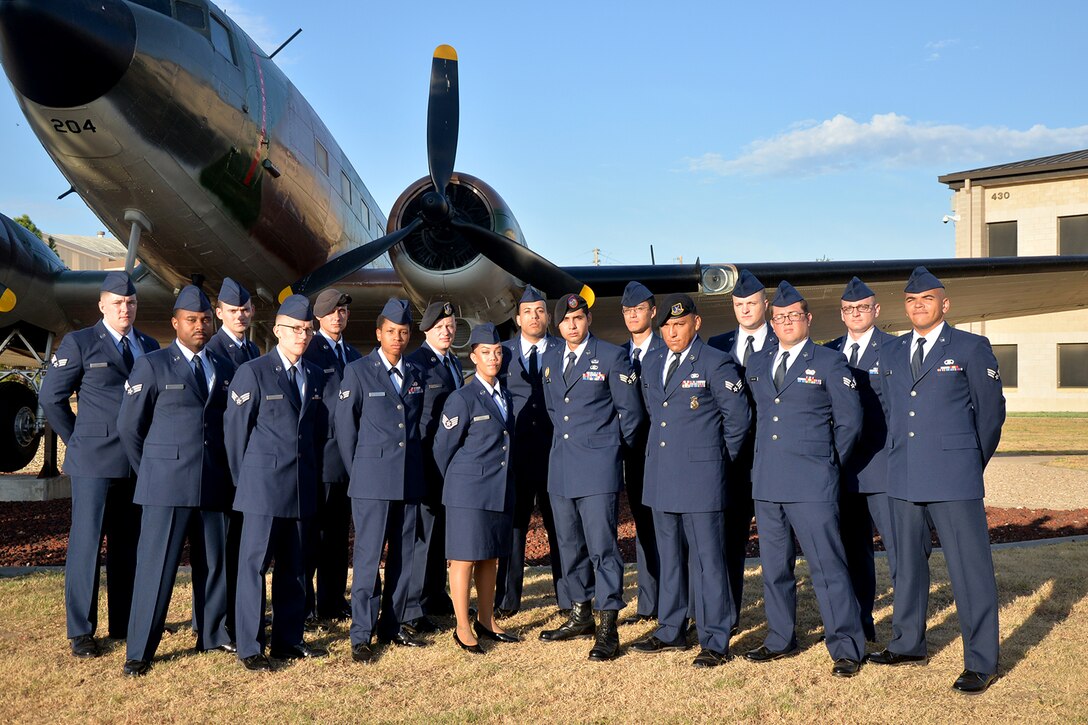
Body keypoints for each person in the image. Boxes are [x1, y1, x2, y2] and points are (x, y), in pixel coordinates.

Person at [867, 266, 1005, 695]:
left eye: (926, 299)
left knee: (969, 571)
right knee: (906, 567)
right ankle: (908, 644)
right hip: (904, 476)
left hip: (954, 478)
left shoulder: (970, 347)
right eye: (911, 300)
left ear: (944, 304)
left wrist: (966, 461)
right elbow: (891, 413)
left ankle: (980, 661)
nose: (918, 306)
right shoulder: (890, 353)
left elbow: (990, 416)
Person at [744, 281, 866, 678]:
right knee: (775, 568)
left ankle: (845, 646)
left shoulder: (828, 362)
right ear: (772, 321)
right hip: (768, 482)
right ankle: (780, 638)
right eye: (779, 318)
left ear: (808, 319)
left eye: (793, 316)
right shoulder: (758, 363)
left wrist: (827, 463)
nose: (785, 323)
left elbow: (850, 422)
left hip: (812, 483)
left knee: (827, 566)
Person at [117, 285, 235, 676]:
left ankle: (213, 634)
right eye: (191, 320)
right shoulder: (153, 364)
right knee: (156, 569)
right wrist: (153, 467)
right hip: (166, 485)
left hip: (213, 481)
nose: (200, 326)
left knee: (214, 565)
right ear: (175, 323)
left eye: (205, 320)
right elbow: (130, 428)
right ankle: (140, 651)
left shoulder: (223, 365)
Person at [40, 271, 159, 659]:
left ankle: (123, 621)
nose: (125, 308)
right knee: (87, 544)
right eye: (118, 303)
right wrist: (77, 439)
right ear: (102, 305)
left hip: (134, 463)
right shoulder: (80, 342)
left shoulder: (149, 345)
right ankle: (81, 630)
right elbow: (52, 398)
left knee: (127, 544)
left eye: (131, 303)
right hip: (93, 461)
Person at [631, 295, 750, 668]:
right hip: (663, 475)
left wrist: (716, 460)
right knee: (670, 559)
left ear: (696, 324)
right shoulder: (652, 362)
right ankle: (671, 628)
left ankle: (715, 637)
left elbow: (739, 421)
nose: (672, 332)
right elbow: (655, 412)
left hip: (703, 479)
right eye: (666, 326)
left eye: (679, 325)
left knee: (708, 561)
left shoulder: (716, 362)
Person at [224, 294, 328, 671]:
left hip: (300, 487)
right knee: (253, 568)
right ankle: (250, 647)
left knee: (295, 567)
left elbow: (316, 433)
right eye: (296, 330)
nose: (303, 336)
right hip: (262, 488)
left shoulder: (314, 373)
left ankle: (288, 639)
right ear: (277, 331)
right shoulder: (254, 371)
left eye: (308, 330)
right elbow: (235, 434)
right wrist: (247, 481)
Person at [538, 293, 644, 661]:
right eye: (566, 321)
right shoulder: (550, 359)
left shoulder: (612, 357)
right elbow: (554, 409)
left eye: (579, 318)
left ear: (588, 319)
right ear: (558, 325)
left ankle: (608, 624)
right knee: (569, 546)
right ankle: (580, 613)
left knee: (603, 549)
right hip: (562, 469)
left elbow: (630, 415)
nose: (573, 325)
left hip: (597, 469)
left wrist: (609, 452)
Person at [336, 298, 427, 664]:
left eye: (404, 332)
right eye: (391, 331)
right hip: (371, 481)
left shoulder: (416, 373)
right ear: (378, 333)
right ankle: (361, 634)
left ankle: (393, 625)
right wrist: (360, 470)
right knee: (369, 558)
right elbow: (345, 430)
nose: (398, 338)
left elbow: (415, 427)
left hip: (407, 480)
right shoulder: (358, 371)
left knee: (404, 558)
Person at [432, 323, 520, 654]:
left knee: (489, 558)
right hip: (468, 491)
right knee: (464, 560)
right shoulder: (462, 397)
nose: (493, 357)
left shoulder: (505, 395)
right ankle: (462, 626)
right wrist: (460, 482)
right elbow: (443, 448)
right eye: (485, 352)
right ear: (473, 356)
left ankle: (486, 620)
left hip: (497, 488)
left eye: (498, 352)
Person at [823, 276, 896, 643]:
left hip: (881, 465)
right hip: (844, 468)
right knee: (853, 552)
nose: (856, 314)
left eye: (862, 307)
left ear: (876, 310)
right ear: (841, 313)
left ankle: (905, 630)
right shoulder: (829, 352)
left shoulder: (895, 349)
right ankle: (861, 623)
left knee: (900, 554)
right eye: (849, 309)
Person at [706, 269, 776, 630]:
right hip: (730, 462)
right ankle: (727, 617)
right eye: (739, 304)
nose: (746, 309)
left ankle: (780, 625)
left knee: (777, 548)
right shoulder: (715, 346)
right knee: (727, 544)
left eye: (751, 303)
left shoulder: (783, 342)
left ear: (765, 303)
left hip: (773, 459)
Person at [496, 286, 569, 617]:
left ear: (547, 316)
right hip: (517, 457)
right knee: (513, 530)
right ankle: (507, 600)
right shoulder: (503, 353)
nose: (535, 317)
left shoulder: (563, 348)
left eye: (540, 311)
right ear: (517, 318)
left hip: (557, 454)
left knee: (562, 530)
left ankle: (568, 599)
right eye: (528, 312)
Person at [204, 277, 260, 642]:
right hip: (221, 464)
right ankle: (216, 626)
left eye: (245, 309)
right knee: (220, 553)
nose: (240, 315)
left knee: (243, 547)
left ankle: (240, 618)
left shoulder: (254, 352)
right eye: (233, 310)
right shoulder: (212, 351)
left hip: (249, 466)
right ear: (219, 312)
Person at [301, 288, 361, 624]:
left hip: (346, 459)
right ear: (319, 318)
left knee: (338, 537)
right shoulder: (310, 351)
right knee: (313, 536)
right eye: (332, 312)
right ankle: (306, 604)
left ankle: (333, 601)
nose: (338, 317)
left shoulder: (352, 354)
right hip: (320, 457)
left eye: (343, 311)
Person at [403, 300, 462, 632]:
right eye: (440, 327)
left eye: (451, 326)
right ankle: (414, 606)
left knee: (440, 532)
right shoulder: (417, 365)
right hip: (425, 460)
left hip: (447, 463)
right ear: (426, 331)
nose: (447, 331)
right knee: (421, 536)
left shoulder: (451, 361)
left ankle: (435, 592)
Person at [617, 281, 663, 626]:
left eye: (640, 309)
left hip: (668, 455)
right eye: (628, 311)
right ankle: (649, 603)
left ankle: (681, 602)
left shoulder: (670, 348)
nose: (634, 315)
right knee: (644, 529)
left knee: (673, 530)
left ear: (653, 312)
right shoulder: (619, 356)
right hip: (634, 455)